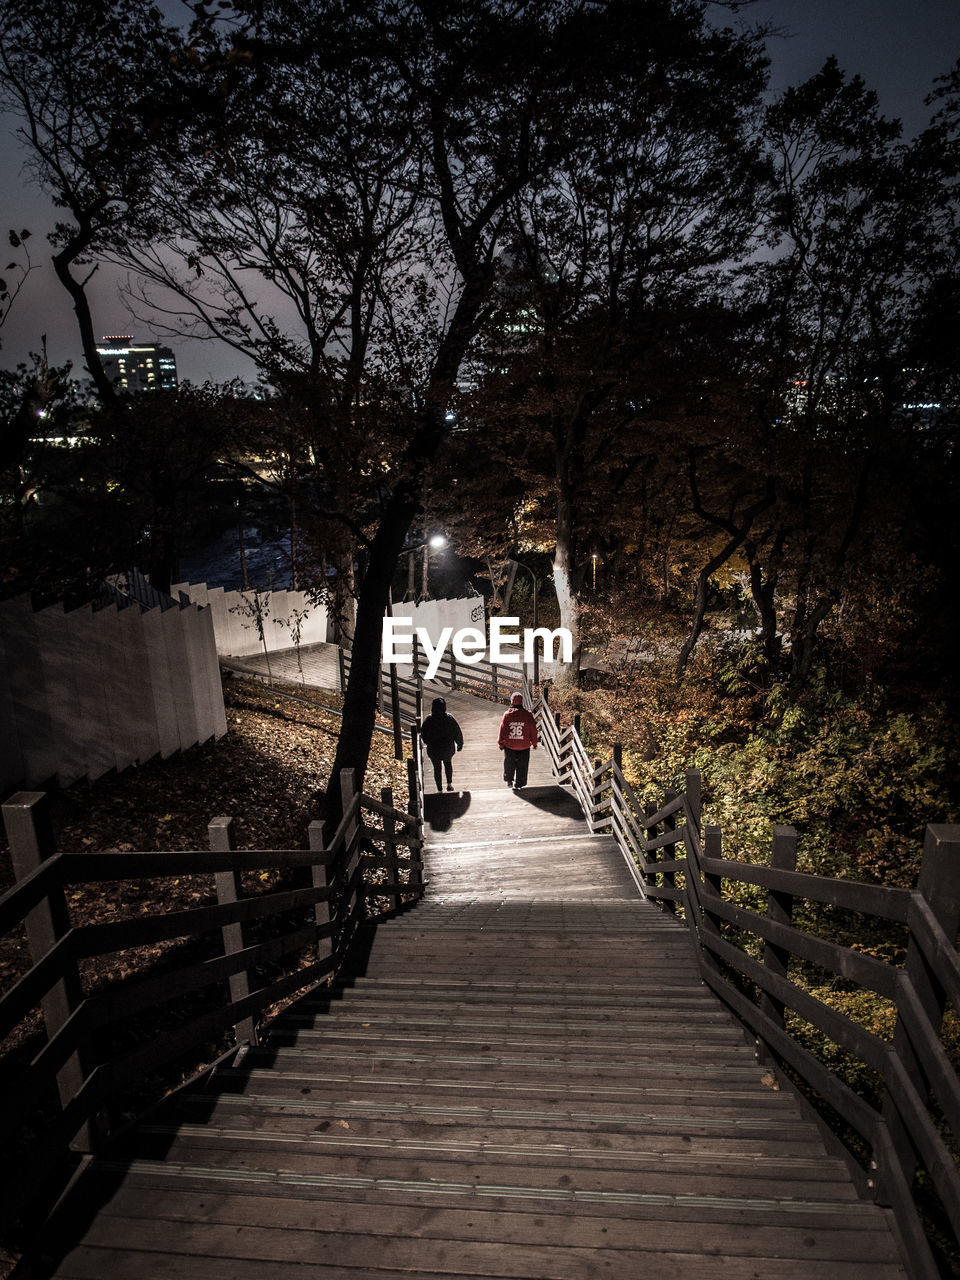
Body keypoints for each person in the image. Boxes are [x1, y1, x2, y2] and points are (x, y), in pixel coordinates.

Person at [418, 695, 464, 792]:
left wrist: (428, 743)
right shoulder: (449, 718)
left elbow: (423, 733)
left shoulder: (429, 720)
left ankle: (439, 788)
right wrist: (460, 743)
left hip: (434, 748)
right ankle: (449, 784)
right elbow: (457, 731)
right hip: (447, 747)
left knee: (437, 768)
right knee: (448, 764)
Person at [498, 691, 538, 790]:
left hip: (510, 745)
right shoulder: (528, 715)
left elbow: (502, 730)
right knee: (522, 765)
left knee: (509, 762)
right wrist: (534, 743)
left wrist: (501, 743)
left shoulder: (507, 715)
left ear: (512, 701)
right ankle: (519, 784)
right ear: (521, 702)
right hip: (524, 745)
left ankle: (509, 780)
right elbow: (533, 729)